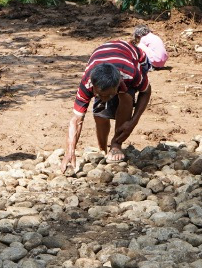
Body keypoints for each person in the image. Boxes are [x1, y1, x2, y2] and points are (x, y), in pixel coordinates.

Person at [62, 29, 153, 173]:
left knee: (126, 97)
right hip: (102, 56)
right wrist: (70, 151)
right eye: (99, 94)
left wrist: (133, 121)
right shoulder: (87, 82)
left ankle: (116, 144)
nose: (104, 98)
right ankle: (102, 149)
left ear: (118, 84)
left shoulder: (131, 73)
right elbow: (76, 120)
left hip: (137, 58)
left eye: (109, 94)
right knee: (99, 112)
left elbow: (146, 91)